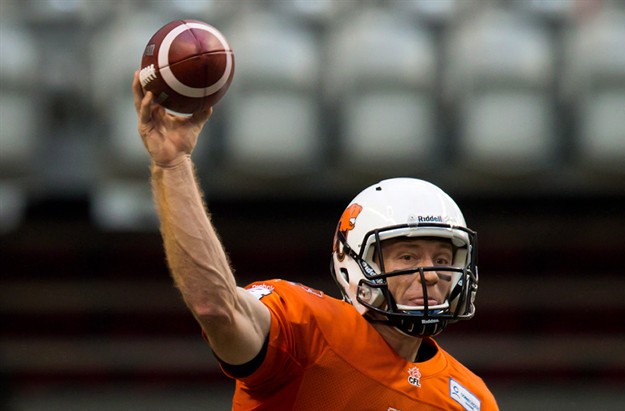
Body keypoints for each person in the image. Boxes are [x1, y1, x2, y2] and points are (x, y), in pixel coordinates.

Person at [132, 72, 499, 411]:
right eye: (407, 256)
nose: (431, 275)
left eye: (441, 259)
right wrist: (173, 164)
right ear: (354, 262)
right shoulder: (309, 329)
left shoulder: (472, 398)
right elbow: (217, 307)